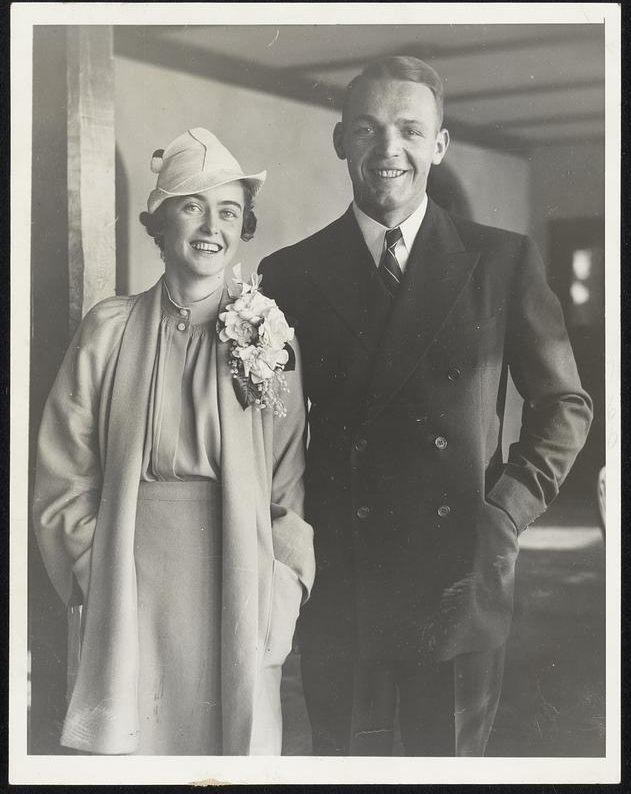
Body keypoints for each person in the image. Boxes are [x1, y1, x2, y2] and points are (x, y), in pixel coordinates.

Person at [258, 57, 593, 756]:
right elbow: (266, 424)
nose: (389, 150)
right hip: (342, 577)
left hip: (456, 575)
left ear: (438, 145)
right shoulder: (290, 273)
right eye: (368, 129)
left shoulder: (501, 261)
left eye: (410, 130)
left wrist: (502, 514)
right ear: (340, 141)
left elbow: (564, 404)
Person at [33, 127, 315, 756]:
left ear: (244, 227)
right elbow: (65, 470)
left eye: (229, 211)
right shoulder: (107, 331)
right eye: (192, 205)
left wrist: (282, 582)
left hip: (237, 569)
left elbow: (288, 482)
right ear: (159, 223)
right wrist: (91, 571)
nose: (211, 225)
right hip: (127, 570)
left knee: (225, 745)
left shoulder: (268, 337)